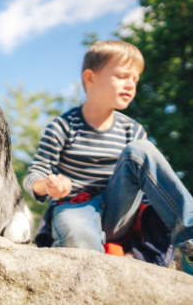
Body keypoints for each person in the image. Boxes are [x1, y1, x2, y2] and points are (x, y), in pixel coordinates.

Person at [23, 40, 193, 275]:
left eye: (135, 79)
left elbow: (147, 187)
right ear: (90, 78)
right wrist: (48, 185)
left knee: (141, 149)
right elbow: (33, 175)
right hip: (76, 207)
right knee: (79, 236)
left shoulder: (131, 130)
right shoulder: (63, 127)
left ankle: (190, 240)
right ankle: (91, 255)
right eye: (123, 76)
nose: (131, 85)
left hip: (118, 214)